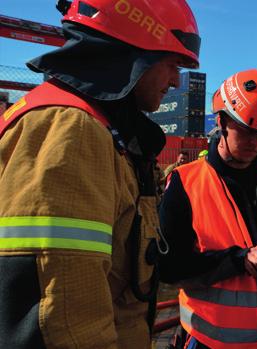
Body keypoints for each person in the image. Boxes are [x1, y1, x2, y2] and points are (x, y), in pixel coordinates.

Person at [0, 0, 200, 348]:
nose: (175, 80)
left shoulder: (102, 132)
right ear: (133, 52)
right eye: (172, 64)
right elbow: (64, 321)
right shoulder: (72, 130)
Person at [158, 69, 257, 349]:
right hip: (212, 342)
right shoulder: (185, 183)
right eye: (246, 131)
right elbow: (170, 268)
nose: (255, 142)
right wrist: (237, 260)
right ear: (221, 121)